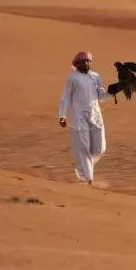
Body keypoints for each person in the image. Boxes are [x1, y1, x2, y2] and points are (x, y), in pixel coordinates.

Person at [58, 51, 116, 187]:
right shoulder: (72, 78)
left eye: (88, 61)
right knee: (83, 149)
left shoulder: (96, 77)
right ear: (77, 64)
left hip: (96, 117)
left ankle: (82, 169)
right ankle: (88, 180)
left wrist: (112, 92)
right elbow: (65, 97)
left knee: (100, 149)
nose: (86, 63)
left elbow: (101, 96)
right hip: (79, 118)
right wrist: (62, 115)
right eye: (82, 61)